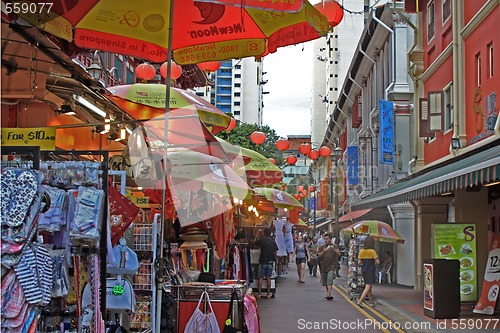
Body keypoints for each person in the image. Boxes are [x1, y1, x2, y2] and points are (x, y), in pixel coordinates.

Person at [255, 228, 278, 299]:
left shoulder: (262, 240)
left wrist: (256, 236)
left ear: (264, 233)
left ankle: (259, 293)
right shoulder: (273, 242)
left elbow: (255, 243)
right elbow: (275, 251)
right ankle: (268, 294)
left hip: (263, 260)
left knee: (260, 277)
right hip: (270, 261)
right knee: (268, 277)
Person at [357, 235, 380, 307]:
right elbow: (377, 262)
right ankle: (360, 301)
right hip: (370, 270)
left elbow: (359, 262)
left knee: (369, 287)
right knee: (368, 286)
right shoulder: (372, 251)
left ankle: (372, 302)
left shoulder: (361, 251)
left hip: (364, 270)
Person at [317, 232, 340, 300]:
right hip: (324, 266)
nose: (325, 240)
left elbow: (338, 254)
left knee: (330, 279)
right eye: (325, 239)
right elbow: (318, 255)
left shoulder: (334, 246)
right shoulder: (322, 247)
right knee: (326, 281)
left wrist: (334, 249)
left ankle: (329, 294)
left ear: (330, 239)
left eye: (327, 239)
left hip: (332, 265)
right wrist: (323, 252)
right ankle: (328, 293)